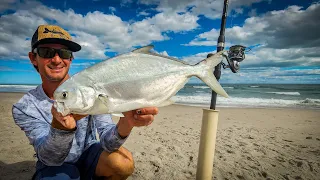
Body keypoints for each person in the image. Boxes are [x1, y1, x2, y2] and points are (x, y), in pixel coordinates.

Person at [12, 25, 159, 180]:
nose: (56, 60)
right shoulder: (24, 107)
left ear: (70, 59)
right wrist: (60, 130)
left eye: (64, 53)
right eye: (46, 52)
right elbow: (50, 159)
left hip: (89, 153)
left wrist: (126, 123)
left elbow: (108, 143)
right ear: (33, 58)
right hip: (55, 166)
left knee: (122, 163)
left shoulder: (89, 89)